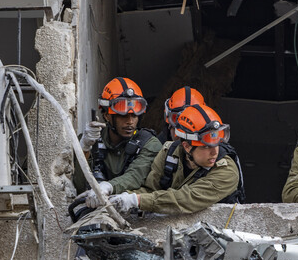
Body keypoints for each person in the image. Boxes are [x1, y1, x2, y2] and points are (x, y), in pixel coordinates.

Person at [108, 103, 244, 214]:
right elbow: (150, 190)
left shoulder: (227, 170)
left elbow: (187, 199)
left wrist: (137, 200)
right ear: (186, 146)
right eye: (206, 147)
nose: (214, 152)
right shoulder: (169, 152)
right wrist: (118, 197)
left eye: (217, 144)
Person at [74, 77, 163, 209]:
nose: (130, 122)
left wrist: (107, 187)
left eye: (134, 116)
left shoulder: (149, 143)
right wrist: (84, 148)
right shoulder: (91, 140)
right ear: (106, 115)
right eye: (123, 115)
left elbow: (135, 176)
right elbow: (79, 185)